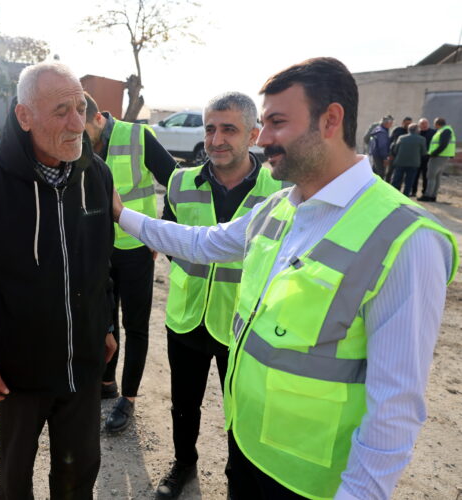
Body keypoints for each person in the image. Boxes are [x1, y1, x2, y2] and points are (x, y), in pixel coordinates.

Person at [113, 57, 457, 499]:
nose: (266, 139)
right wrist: (123, 217)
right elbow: (201, 243)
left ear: (331, 120)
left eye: (276, 122)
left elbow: (395, 407)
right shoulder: (281, 208)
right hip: (249, 452)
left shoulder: (404, 238)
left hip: (310, 483)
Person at [0, 62, 116, 499]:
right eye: (61, 110)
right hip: (16, 370)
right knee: (16, 479)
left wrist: (107, 324)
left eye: (80, 108)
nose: (77, 123)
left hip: (83, 362)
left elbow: (102, 262)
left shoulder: (95, 175)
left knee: (79, 473)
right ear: (25, 117)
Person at [154, 91, 285, 499]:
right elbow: (171, 240)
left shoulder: (280, 190)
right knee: (183, 403)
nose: (216, 139)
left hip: (244, 325)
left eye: (229, 129)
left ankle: (238, 476)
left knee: (241, 410)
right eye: (210, 129)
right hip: (187, 315)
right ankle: (183, 463)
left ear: (253, 134)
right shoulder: (180, 181)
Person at [83, 91, 177, 433]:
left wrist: (157, 232)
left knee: (135, 325)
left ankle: (130, 399)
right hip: (98, 251)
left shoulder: (138, 136)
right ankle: (107, 384)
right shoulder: (78, 142)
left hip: (137, 248)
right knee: (105, 320)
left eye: (83, 132)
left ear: (97, 118)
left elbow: (176, 182)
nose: (79, 140)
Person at [419, 117, 457, 202]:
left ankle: (428, 195)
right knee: (436, 177)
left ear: (437, 124)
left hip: (438, 156)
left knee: (431, 176)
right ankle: (433, 195)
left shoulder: (445, 131)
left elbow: (443, 144)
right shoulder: (445, 130)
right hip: (442, 156)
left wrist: (433, 153)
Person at [390, 122, 427, 196]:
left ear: (408, 130)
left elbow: (395, 150)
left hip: (400, 162)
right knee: (409, 181)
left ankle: (394, 195)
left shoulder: (401, 137)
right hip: (413, 163)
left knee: (396, 180)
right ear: (417, 130)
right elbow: (423, 152)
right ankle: (405, 196)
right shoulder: (422, 139)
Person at [411, 117, 436, 197]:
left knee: (426, 176)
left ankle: (424, 192)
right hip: (417, 158)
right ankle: (413, 191)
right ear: (419, 125)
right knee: (415, 176)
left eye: (425, 123)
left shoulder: (433, 133)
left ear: (428, 124)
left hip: (428, 158)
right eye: (422, 124)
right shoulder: (417, 133)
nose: (424, 125)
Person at [386, 116, 412, 181]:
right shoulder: (397, 130)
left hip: (403, 156)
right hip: (393, 154)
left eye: (409, 124)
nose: (408, 125)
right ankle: (387, 182)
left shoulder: (410, 132)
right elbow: (390, 141)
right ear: (403, 123)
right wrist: (389, 154)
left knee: (399, 173)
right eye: (406, 124)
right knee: (390, 171)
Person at [368, 114, 393, 179]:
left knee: (374, 173)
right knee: (380, 174)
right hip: (379, 156)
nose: (391, 125)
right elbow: (382, 146)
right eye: (391, 123)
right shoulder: (382, 132)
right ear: (387, 123)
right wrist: (385, 158)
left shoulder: (377, 129)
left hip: (375, 154)